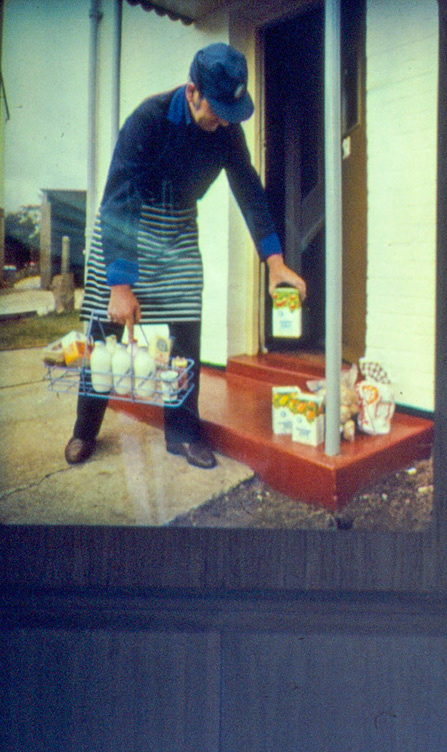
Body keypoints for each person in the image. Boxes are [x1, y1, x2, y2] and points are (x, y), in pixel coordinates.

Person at [66, 43, 307, 469]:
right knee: (104, 338)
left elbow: (249, 190)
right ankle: (84, 430)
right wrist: (120, 285)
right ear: (193, 91)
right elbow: (119, 199)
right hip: (128, 226)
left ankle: (182, 432)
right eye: (215, 109)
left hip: (177, 228)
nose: (222, 122)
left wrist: (275, 261)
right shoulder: (148, 119)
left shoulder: (226, 130)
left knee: (185, 335)